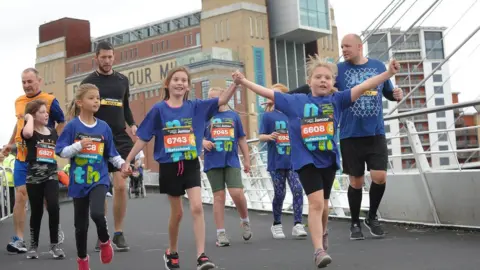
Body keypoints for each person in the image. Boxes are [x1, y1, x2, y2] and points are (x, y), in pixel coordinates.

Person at [233, 56, 399, 268]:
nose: (323, 81)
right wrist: (243, 81)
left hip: (328, 159)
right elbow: (266, 92)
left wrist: (388, 74)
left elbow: (365, 85)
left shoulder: (337, 100)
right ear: (309, 81)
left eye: (328, 78)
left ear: (333, 83)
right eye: (318, 77)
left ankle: (323, 230)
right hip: (305, 160)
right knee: (316, 202)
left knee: (325, 206)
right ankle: (318, 250)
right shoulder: (295, 102)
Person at [289, 34, 404, 240]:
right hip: (350, 133)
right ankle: (354, 223)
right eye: (341, 46)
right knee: (356, 181)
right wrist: (286, 95)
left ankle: (371, 217)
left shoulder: (378, 66)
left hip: (375, 131)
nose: (343, 50)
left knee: (380, 176)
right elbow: (315, 84)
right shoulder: (339, 70)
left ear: (359, 47)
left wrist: (394, 94)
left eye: (347, 46)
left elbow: (386, 90)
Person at [124, 66, 238, 270]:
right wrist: (128, 160)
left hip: (190, 163)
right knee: (177, 214)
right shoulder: (159, 109)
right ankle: (172, 252)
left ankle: (201, 256)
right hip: (169, 165)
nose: (180, 83)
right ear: (167, 84)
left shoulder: (196, 106)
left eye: (184, 80)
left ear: (188, 86)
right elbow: (143, 137)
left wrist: (236, 84)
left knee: (196, 206)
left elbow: (221, 101)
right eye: (176, 79)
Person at [55, 83, 129, 270]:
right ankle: (82, 260)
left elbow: (112, 154)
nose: (96, 101)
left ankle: (104, 241)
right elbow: (61, 151)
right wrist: (79, 146)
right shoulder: (72, 126)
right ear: (80, 102)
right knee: (80, 226)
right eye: (91, 98)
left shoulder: (103, 127)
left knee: (97, 213)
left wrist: (123, 165)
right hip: (79, 181)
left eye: (98, 98)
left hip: (99, 179)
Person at [2, 68, 66, 254]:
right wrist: (9, 143)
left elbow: (61, 121)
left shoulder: (50, 100)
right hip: (22, 157)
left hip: (43, 158)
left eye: (30, 81)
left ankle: (55, 233)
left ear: (39, 80)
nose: (26, 85)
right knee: (20, 196)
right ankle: (19, 239)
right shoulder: (19, 102)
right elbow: (19, 124)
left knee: (48, 201)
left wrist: (54, 141)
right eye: (23, 82)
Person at [81, 41, 135, 251]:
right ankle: (102, 232)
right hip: (96, 137)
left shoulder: (122, 80)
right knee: (100, 189)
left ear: (114, 57)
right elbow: (83, 112)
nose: (107, 61)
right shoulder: (88, 82)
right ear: (96, 57)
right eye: (103, 57)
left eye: (110, 57)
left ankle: (119, 233)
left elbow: (126, 107)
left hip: (120, 138)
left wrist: (133, 124)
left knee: (121, 185)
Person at [202, 86, 252, 247]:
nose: (211, 101)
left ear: (224, 97)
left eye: (214, 98)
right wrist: (203, 142)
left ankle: (244, 220)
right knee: (219, 197)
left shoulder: (233, 116)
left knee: (236, 192)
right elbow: (194, 135)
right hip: (212, 160)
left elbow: (242, 138)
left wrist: (247, 159)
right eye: (209, 98)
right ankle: (221, 233)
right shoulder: (205, 116)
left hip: (231, 159)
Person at [258, 83, 307, 239]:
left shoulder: (292, 113)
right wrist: (269, 136)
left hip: (293, 160)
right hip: (276, 161)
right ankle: (277, 224)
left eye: (278, 94)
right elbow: (260, 136)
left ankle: (298, 224)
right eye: (273, 94)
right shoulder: (267, 116)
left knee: (297, 189)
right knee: (280, 193)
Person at [21, 99, 65, 259]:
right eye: (41, 112)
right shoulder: (30, 131)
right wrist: (29, 119)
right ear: (33, 115)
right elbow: (26, 134)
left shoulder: (52, 132)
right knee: (37, 211)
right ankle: (33, 246)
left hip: (51, 175)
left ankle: (55, 245)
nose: (46, 114)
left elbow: (58, 149)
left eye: (47, 112)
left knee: (53, 206)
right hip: (34, 176)